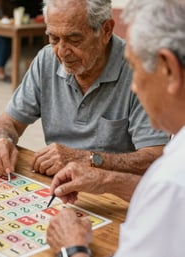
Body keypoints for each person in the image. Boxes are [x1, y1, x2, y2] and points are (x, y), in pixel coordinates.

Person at [47, 0, 185, 256]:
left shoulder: (172, 180)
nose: (133, 86)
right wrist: (106, 180)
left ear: (168, 69)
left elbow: (169, 192)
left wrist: (71, 246)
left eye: (134, 67)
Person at [0, 0, 169, 177]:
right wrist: (3, 140)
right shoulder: (46, 60)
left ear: (106, 31)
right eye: (54, 38)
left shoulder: (139, 70)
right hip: (58, 185)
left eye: (74, 40)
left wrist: (87, 159)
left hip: (114, 194)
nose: (62, 52)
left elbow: (155, 158)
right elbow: (7, 122)